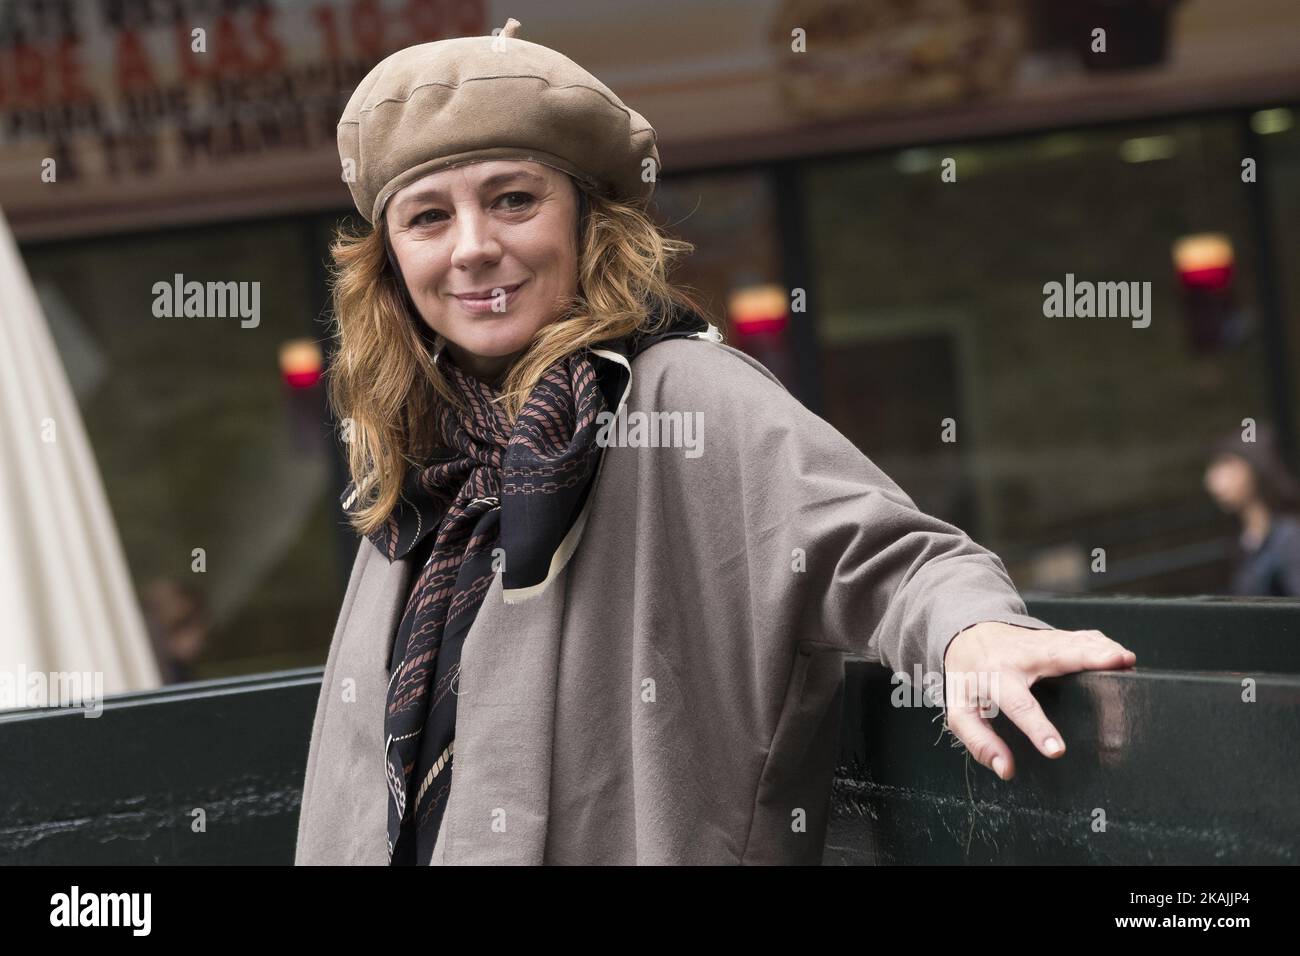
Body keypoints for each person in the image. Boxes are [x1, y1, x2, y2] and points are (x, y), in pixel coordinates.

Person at [294, 18, 1137, 866]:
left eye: (515, 199)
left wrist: (975, 634)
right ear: (390, 260)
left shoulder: (680, 395)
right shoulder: (428, 464)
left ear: (589, 222)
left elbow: (890, 556)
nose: (474, 247)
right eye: (428, 216)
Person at [1204, 424, 1300, 597]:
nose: (1212, 479)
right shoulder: (1245, 537)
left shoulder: (1289, 537)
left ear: (1255, 470)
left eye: (1227, 464)